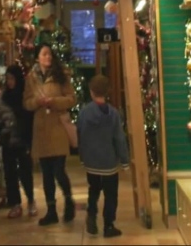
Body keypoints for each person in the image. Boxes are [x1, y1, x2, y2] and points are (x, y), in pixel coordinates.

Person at [23, 43, 77, 226]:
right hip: (41, 130)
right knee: (46, 173)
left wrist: (53, 101)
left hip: (57, 129)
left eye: (49, 54)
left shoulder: (61, 75)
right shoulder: (31, 78)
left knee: (58, 170)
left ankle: (69, 200)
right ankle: (51, 210)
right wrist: (37, 102)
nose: (47, 57)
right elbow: (27, 103)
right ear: (37, 57)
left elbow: (71, 99)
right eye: (44, 54)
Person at [77, 75, 129, 238]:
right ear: (107, 92)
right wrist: (125, 161)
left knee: (93, 190)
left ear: (91, 92)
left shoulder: (84, 112)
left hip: (91, 161)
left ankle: (91, 214)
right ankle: (108, 225)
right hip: (108, 162)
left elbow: (80, 134)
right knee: (111, 194)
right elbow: (119, 138)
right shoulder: (113, 114)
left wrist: (82, 157)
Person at [0, 64, 37, 218]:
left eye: (12, 78)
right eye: (7, 78)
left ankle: (30, 200)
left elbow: (30, 118)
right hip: (7, 140)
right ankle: (15, 203)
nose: (10, 82)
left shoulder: (25, 96)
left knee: (25, 172)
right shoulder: (2, 98)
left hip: (22, 139)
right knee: (10, 173)